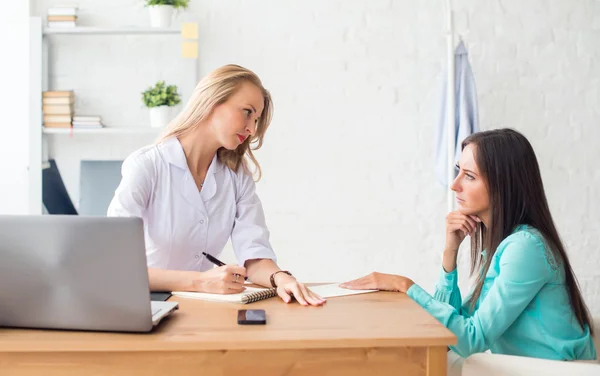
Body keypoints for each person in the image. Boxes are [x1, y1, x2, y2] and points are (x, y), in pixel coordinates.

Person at [341, 129, 596, 365]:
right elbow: (448, 337)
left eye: (469, 176)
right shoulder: (504, 245)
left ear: (502, 185)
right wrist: (449, 254)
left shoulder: (525, 248)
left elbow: (471, 340)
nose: (454, 185)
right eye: (458, 171)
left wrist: (404, 286)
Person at [108, 64, 325, 306]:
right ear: (212, 101)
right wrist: (200, 281)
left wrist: (280, 278)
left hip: (200, 308)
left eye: (256, 120)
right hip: (144, 306)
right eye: (247, 112)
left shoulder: (237, 174)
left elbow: (254, 254)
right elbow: (116, 265)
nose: (252, 129)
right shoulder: (148, 165)